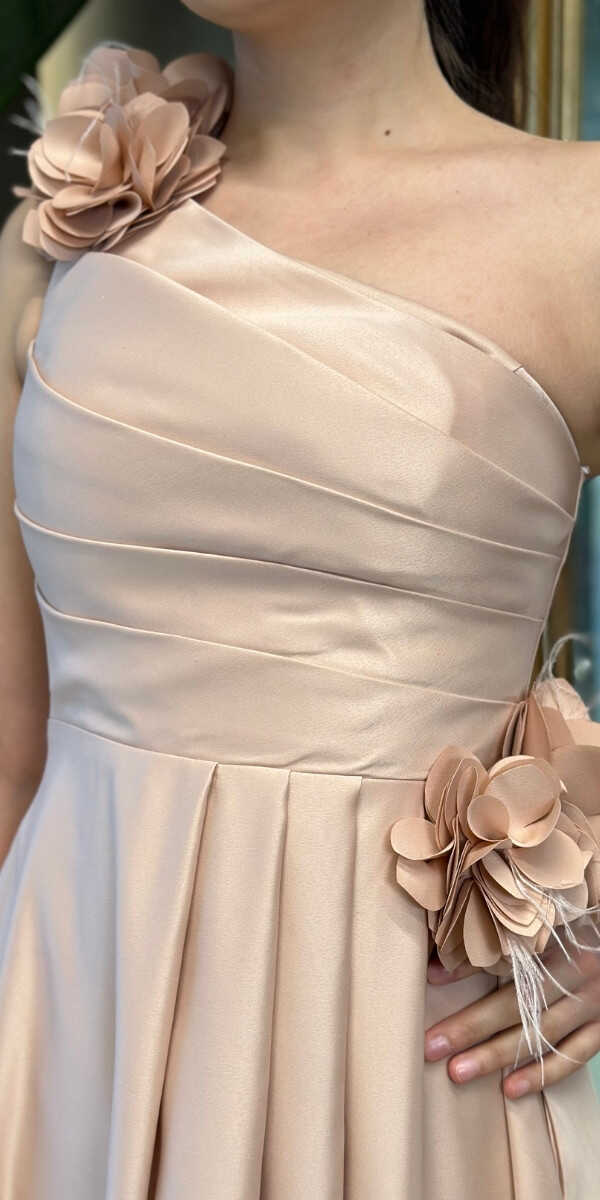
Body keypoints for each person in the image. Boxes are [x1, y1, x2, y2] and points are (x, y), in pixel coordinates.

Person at [1, 1, 600, 1195]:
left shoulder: (577, 227)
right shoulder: (60, 236)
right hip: (72, 1038)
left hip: (405, 1069)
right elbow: (14, 750)